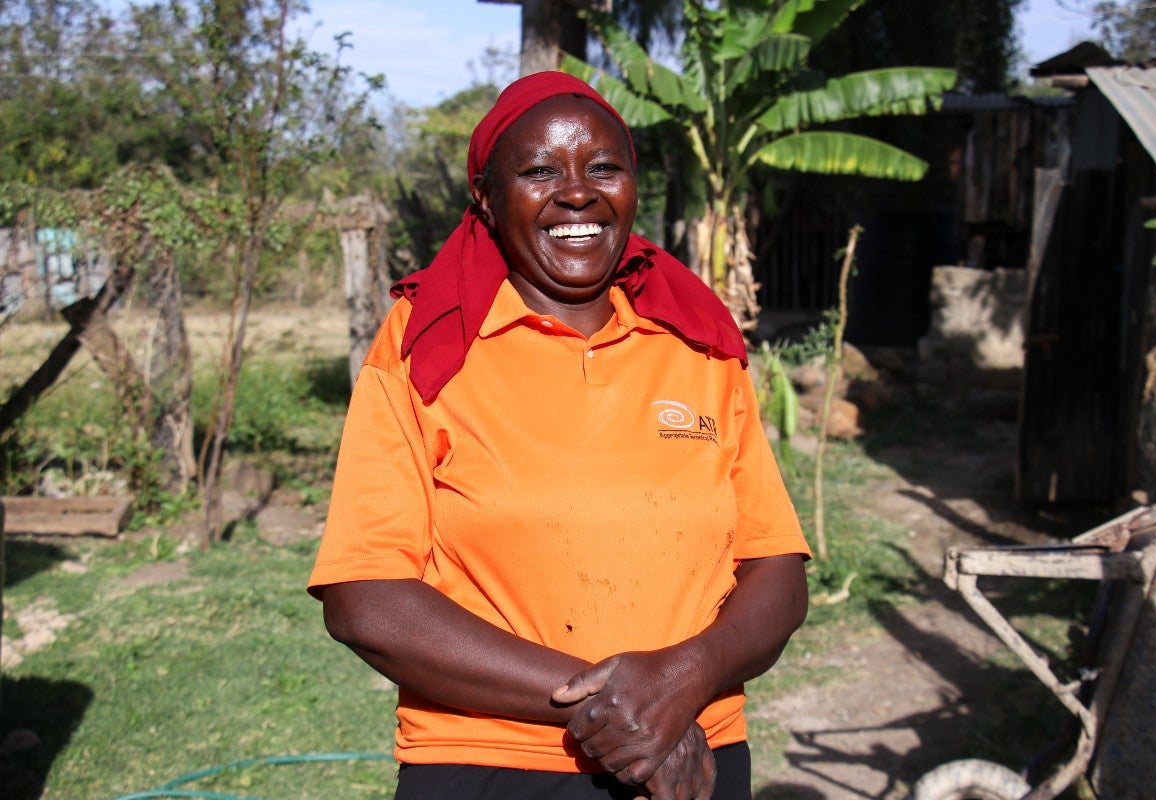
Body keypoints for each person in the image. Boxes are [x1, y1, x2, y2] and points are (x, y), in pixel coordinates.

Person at [307, 71, 810, 800]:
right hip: (493, 764)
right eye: (539, 170)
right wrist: (621, 707)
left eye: (604, 167)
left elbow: (778, 572)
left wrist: (686, 677)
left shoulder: (699, 347)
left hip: (693, 761)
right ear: (485, 198)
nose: (577, 193)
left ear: (634, 186)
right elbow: (366, 598)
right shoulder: (428, 346)